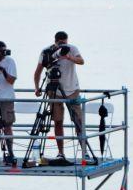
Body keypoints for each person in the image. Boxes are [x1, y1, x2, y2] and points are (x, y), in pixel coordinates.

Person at [33, 31, 94, 164]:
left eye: (64, 43)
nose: (62, 46)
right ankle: (61, 153)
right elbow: (37, 71)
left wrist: (69, 57)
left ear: (67, 41)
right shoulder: (46, 52)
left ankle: (85, 152)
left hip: (72, 90)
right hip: (54, 90)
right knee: (58, 121)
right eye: (60, 43)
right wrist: (37, 87)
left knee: (78, 121)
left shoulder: (72, 49)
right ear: (55, 42)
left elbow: (81, 61)